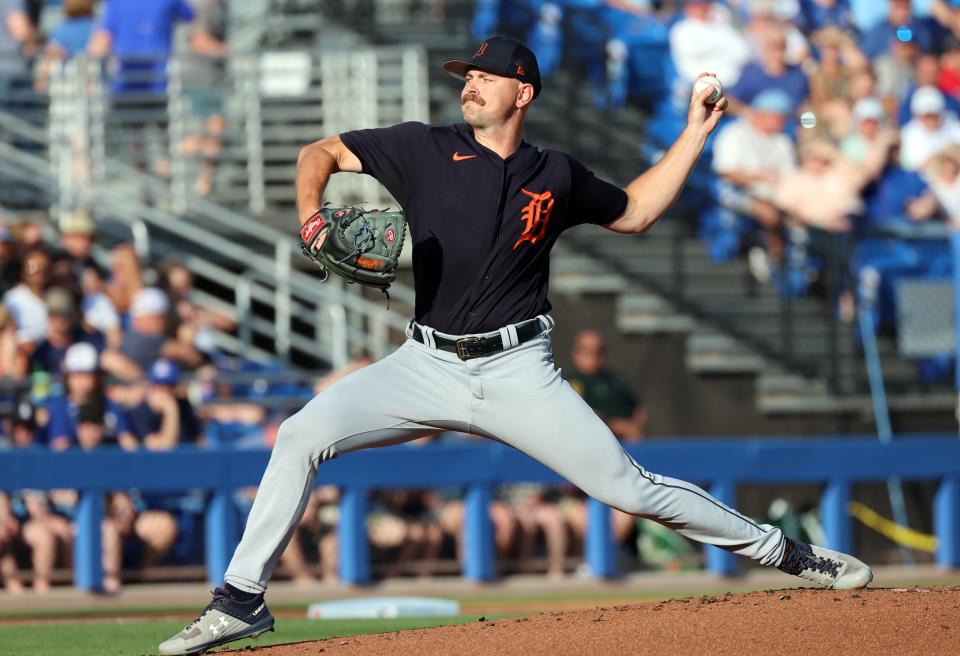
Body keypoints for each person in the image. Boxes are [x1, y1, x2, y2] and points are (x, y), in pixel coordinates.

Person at [159, 36, 873, 656]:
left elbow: (639, 211)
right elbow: (322, 151)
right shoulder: (422, 148)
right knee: (299, 434)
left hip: (516, 368)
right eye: (466, 76)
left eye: (484, 76)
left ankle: (790, 553)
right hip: (424, 362)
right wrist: (312, 217)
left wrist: (695, 131)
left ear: (522, 91)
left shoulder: (554, 174)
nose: (469, 84)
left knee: (627, 487)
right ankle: (239, 601)